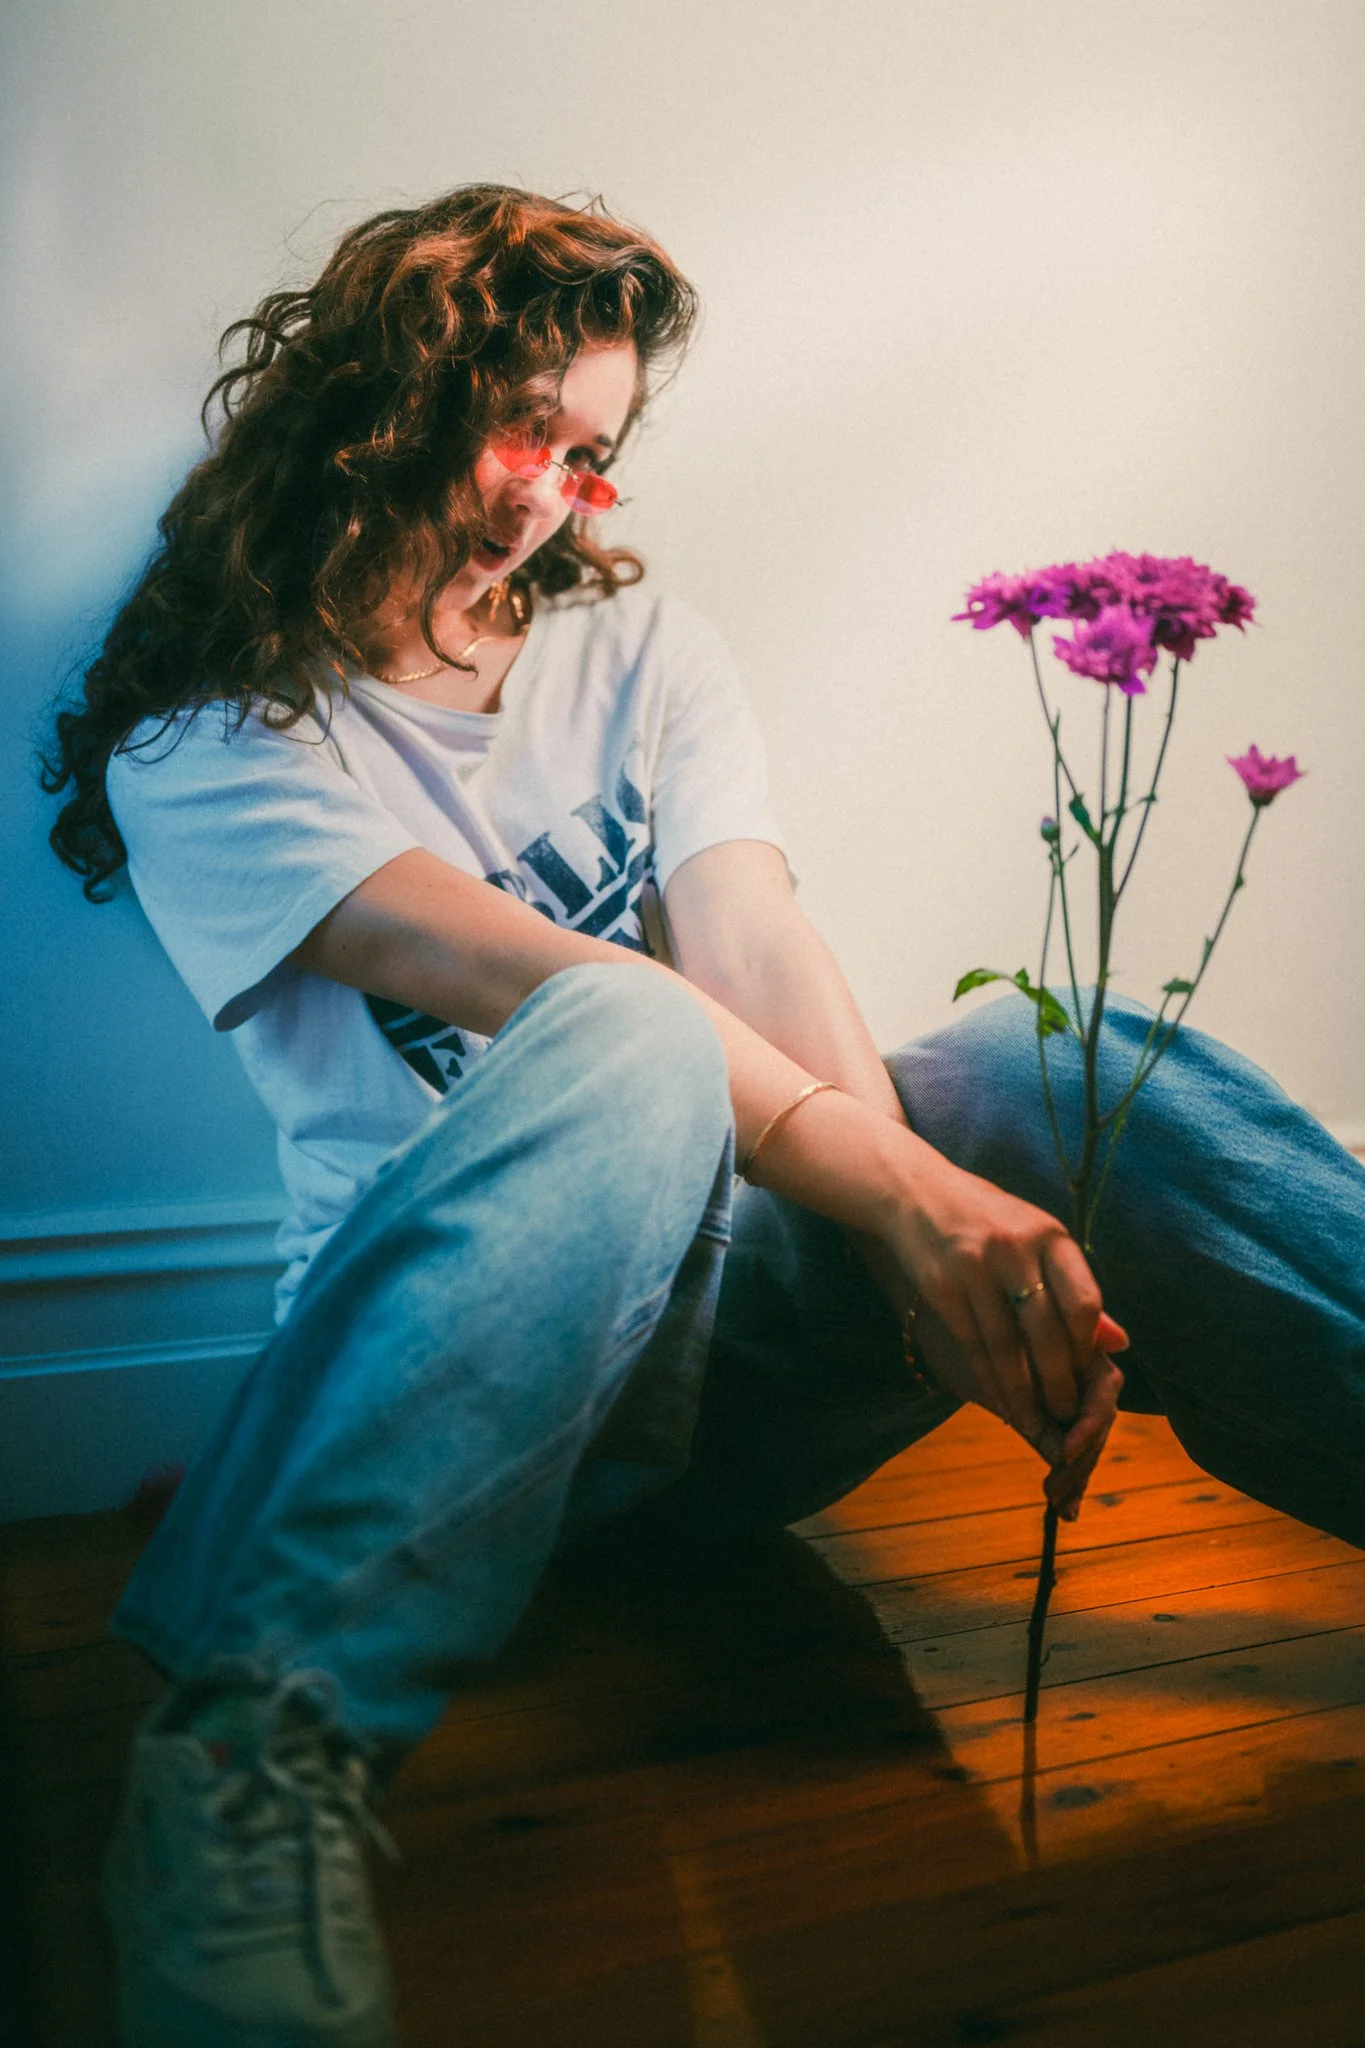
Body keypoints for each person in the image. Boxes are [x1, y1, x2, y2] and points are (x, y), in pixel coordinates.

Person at [42, 183, 1365, 2048]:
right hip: (474, 1410)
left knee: (1033, 1073)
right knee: (620, 1033)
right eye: (514, 427)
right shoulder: (213, 744)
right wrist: (908, 1208)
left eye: (585, 454)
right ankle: (246, 1754)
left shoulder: (633, 648)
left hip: (730, 1367)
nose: (539, 496)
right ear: (382, 399)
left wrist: (923, 1205)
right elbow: (581, 995)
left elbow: (743, 928)